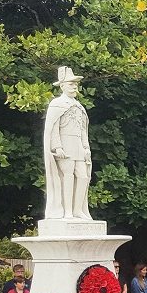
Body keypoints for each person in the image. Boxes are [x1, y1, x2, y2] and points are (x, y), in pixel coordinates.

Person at [43, 66, 92, 220]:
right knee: (68, 176)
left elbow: (83, 129)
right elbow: (53, 128)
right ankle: (68, 212)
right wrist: (57, 146)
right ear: (62, 85)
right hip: (65, 145)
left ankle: (78, 210)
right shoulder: (56, 104)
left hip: (78, 145)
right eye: (71, 84)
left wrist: (86, 147)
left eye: (75, 84)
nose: (74, 86)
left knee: (83, 176)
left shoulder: (79, 106)